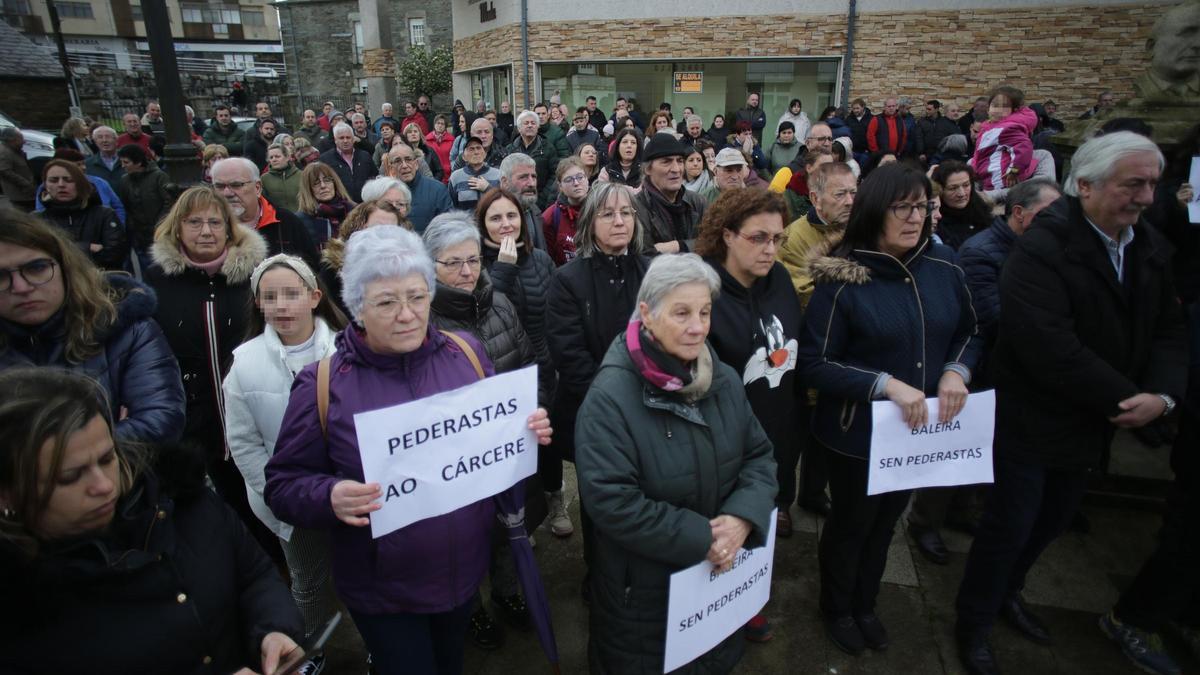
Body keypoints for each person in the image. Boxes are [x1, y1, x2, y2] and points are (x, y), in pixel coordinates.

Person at [263, 224, 553, 675]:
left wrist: (524, 430)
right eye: (386, 302)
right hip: (384, 592)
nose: (407, 314)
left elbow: (490, 445)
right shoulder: (322, 386)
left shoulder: (467, 353)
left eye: (417, 297)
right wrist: (329, 496)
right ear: (357, 308)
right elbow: (282, 486)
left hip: (462, 572)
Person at [955, 132, 1187, 675]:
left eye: (1153, 184)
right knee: (1009, 524)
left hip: (1091, 423)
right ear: (1084, 186)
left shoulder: (1147, 244)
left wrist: (1164, 394)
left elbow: (1169, 330)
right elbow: (1048, 343)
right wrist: (1130, 397)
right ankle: (975, 620)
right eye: (1134, 184)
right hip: (1032, 417)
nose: (1147, 197)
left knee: (1053, 521)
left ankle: (1011, 592)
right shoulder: (1042, 246)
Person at [0, 368, 304, 674]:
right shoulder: (18, 607)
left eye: (107, 459)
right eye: (69, 477)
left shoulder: (180, 498)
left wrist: (273, 630)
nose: (104, 485)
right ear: (7, 494)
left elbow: (253, 575)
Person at [799, 163, 980, 656]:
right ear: (875, 211)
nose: (914, 217)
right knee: (853, 524)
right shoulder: (843, 280)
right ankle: (837, 607)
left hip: (917, 436)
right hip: (856, 433)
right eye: (901, 207)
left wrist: (955, 371)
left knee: (886, 526)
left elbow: (970, 331)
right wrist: (884, 384)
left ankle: (865, 603)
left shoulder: (946, 270)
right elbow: (814, 363)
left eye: (921, 205)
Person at [575, 252, 778, 673]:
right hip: (644, 603)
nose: (698, 327)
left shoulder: (719, 376)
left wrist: (742, 519)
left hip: (716, 588)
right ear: (647, 314)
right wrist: (703, 537)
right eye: (682, 312)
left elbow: (759, 455)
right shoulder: (611, 397)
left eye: (705, 312)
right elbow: (612, 501)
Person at [905, 178, 1061, 567]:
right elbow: (988, 317)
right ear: (1020, 214)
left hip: (1009, 373)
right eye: (1048, 214)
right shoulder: (980, 253)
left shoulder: (1043, 251)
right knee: (948, 450)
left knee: (980, 451)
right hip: (977, 367)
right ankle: (925, 521)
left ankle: (964, 508)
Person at [423, 212, 554, 648]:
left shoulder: (499, 302)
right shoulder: (423, 323)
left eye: (473, 260)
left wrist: (537, 407)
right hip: (458, 461)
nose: (466, 271)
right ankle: (471, 609)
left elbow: (527, 362)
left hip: (511, 450)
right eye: (452, 263)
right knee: (463, 541)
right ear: (430, 266)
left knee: (511, 526)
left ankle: (507, 592)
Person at [223, 254, 347, 672]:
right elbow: (243, 441)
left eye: (291, 294)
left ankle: (376, 642)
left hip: (352, 491)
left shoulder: (348, 347)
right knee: (307, 582)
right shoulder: (245, 364)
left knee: (366, 573)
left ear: (314, 297)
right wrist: (278, 495)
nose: (281, 305)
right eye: (269, 296)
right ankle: (309, 652)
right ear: (258, 304)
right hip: (290, 505)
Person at [692, 187, 799, 640]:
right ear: (727, 235)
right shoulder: (704, 295)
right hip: (724, 444)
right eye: (759, 238)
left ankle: (751, 598)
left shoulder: (780, 281)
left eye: (777, 238)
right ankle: (711, 613)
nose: (771, 249)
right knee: (723, 533)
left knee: (765, 520)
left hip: (780, 428)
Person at [0, 209, 183, 443]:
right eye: (1, 277)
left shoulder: (129, 330)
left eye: (36, 268)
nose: (21, 287)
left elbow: (160, 420)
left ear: (65, 267)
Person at [210, 158, 320, 271]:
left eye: (237, 185)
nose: (227, 193)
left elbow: (311, 271)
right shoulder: (205, 228)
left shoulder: (287, 222)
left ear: (257, 188)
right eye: (219, 186)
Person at [36, 159, 127, 270]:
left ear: (80, 184)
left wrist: (58, 250)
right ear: (45, 185)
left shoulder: (104, 215)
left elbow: (114, 256)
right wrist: (87, 248)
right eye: (53, 180)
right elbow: (35, 258)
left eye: (68, 180)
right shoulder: (36, 220)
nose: (61, 185)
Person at [635, 134, 707, 254]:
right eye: (666, 162)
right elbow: (643, 255)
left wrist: (679, 246)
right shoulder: (636, 208)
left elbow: (715, 243)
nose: (676, 169)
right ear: (648, 169)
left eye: (679, 161)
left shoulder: (698, 202)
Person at [970, 85, 1038, 193]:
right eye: (995, 105)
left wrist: (1014, 171)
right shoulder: (989, 127)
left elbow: (1023, 148)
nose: (998, 110)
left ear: (1014, 110)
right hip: (987, 177)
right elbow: (980, 154)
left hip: (1000, 180)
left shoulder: (1008, 128)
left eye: (1004, 106)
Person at [115, 144, 172, 270]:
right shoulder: (125, 181)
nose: (123, 166)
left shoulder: (159, 177)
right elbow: (124, 205)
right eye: (122, 162)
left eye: (126, 162)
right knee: (146, 266)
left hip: (158, 230)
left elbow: (169, 201)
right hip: (138, 233)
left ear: (139, 162)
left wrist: (160, 223)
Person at [295, 161, 356, 251]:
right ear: (308, 189)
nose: (323, 186)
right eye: (316, 183)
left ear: (335, 183)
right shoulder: (300, 220)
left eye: (327, 180)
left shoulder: (354, 212)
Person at [931, 161, 993, 250]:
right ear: (940, 190)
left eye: (966, 185)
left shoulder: (984, 212)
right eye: (952, 188)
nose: (961, 193)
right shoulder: (933, 223)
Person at [542, 157, 590, 265]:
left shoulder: (602, 209)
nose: (576, 183)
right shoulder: (550, 217)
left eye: (580, 177)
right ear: (560, 186)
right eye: (569, 180)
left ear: (587, 179)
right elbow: (550, 260)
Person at [499, 153, 550, 251]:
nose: (531, 183)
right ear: (505, 182)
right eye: (523, 177)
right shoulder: (490, 219)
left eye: (534, 177)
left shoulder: (536, 212)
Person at [507, 110, 558, 209]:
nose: (530, 125)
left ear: (538, 127)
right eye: (526, 123)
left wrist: (542, 198)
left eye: (533, 123)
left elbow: (554, 174)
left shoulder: (548, 147)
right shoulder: (510, 149)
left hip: (542, 201)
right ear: (519, 128)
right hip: (516, 201)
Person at [320, 122, 379, 203]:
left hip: (365, 205)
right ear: (335, 140)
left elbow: (375, 178)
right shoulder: (325, 159)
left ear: (353, 139)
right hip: (339, 207)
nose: (345, 141)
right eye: (341, 138)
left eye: (348, 137)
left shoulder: (365, 156)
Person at [449, 135, 503, 213]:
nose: (476, 152)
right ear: (463, 157)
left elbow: (504, 202)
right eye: (471, 149)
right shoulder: (455, 177)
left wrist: (488, 189)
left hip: (491, 223)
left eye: (479, 148)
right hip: (466, 224)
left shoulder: (498, 175)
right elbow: (452, 208)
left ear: (485, 154)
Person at [0, 127, 36, 211]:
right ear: (11, 140)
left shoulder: (14, 150)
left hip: (26, 193)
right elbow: (5, 171)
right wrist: (25, 183)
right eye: (20, 138)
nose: (24, 141)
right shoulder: (4, 153)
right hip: (20, 195)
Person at [915, 100, 960, 166]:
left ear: (936, 109)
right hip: (928, 153)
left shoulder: (943, 121)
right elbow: (919, 137)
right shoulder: (922, 122)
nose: (927, 111)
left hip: (941, 154)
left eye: (929, 109)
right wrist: (921, 152)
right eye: (926, 109)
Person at [260, 144, 302, 214]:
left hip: (302, 218)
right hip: (277, 220)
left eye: (277, 156)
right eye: (271, 157)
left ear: (287, 157)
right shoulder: (264, 179)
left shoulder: (302, 175)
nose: (274, 159)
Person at [85, 125, 125, 192]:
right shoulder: (88, 164)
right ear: (95, 142)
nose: (104, 140)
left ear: (116, 140)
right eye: (100, 137)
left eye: (108, 136)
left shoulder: (128, 160)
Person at [426, 115, 455, 184]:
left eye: (442, 124)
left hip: (448, 175)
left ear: (445, 126)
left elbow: (454, 157)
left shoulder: (452, 140)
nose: (440, 125)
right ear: (434, 125)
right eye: (438, 123)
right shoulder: (427, 140)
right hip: (433, 175)